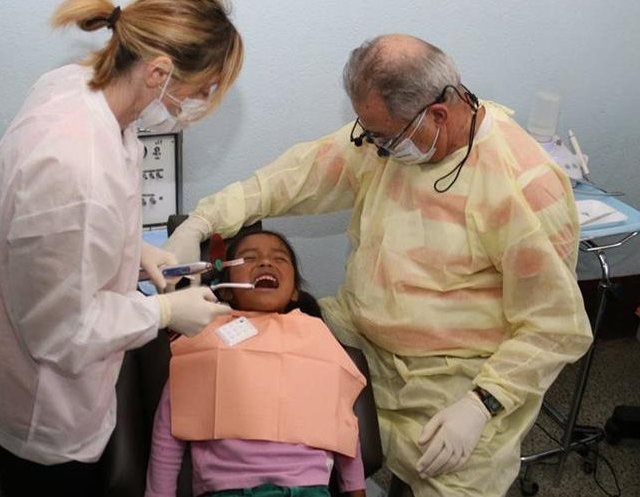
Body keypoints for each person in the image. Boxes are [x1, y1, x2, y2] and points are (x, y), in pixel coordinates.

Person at [164, 34, 593, 497]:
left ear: (439, 114)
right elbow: (291, 178)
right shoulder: (382, 135)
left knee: (447, 477)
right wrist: (201, 221)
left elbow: (552, 328)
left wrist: (482, 404)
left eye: (385, 138)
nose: (375, 148)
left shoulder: (525, 188)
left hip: (456, 381)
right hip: (358, 337)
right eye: (368, 134)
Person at [0, 1, 242, 496]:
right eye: (204, 88)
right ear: (159, 71)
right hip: (39, 405)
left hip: (23, 344)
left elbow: (77, 238)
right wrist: (166, 311)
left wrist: (138, 252)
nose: (201, 100)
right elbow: (61, 332)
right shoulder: (73, 168)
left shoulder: (77, 88)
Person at [146, 230, 367, 497]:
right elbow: (169, 425)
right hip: (227, 490)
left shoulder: (318, 338)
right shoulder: (205, 339)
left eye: (279, 258)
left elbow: (342, 423)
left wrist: (356, 490)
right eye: (249, 258)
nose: (265, 262)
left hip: (308, 489)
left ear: (295, 290)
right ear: (226, 290)